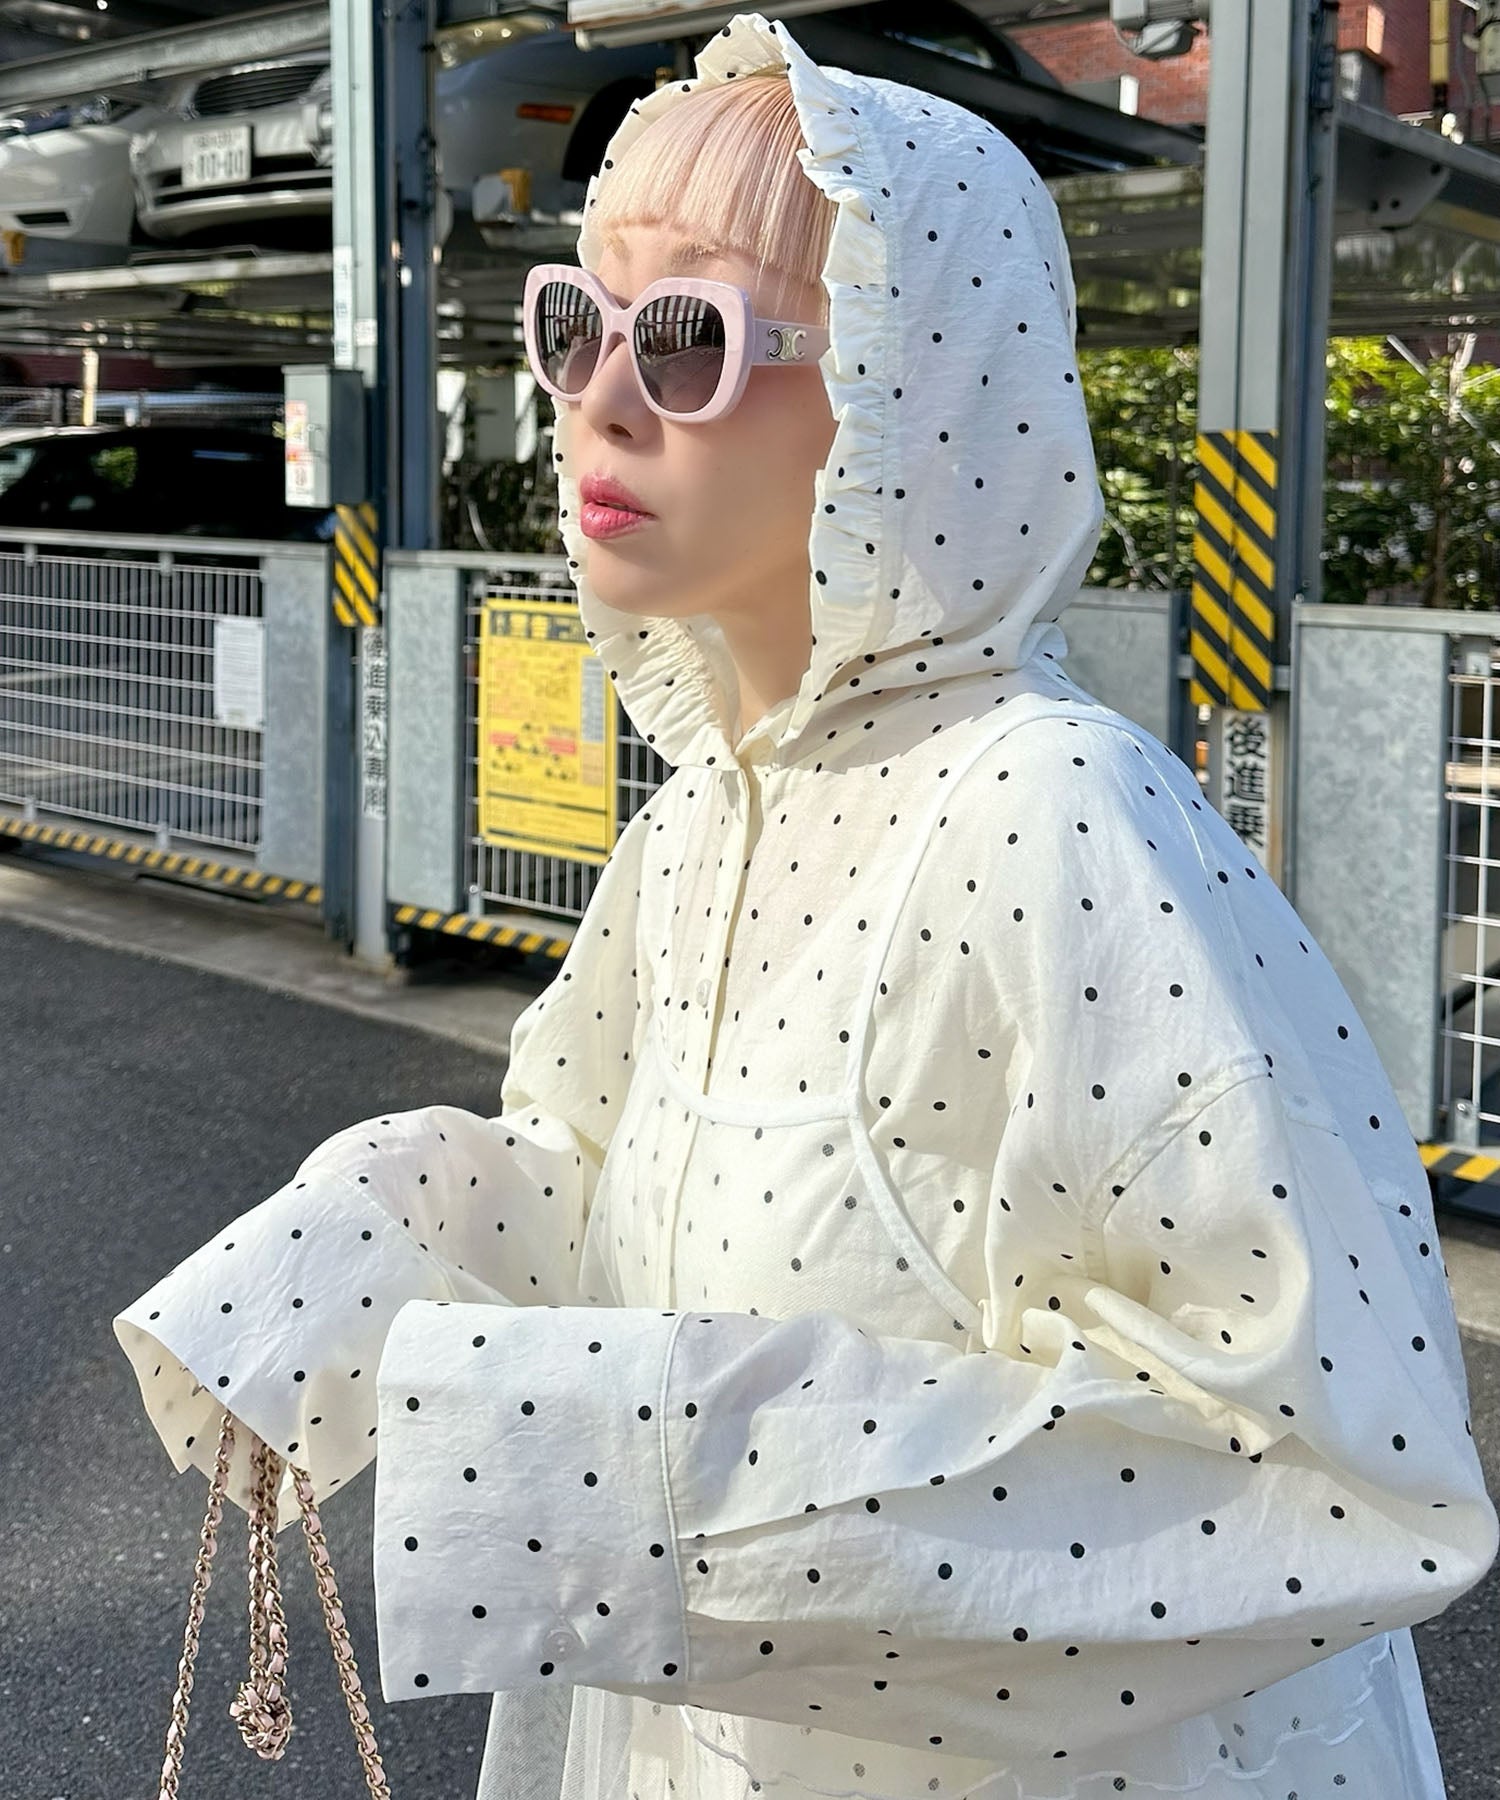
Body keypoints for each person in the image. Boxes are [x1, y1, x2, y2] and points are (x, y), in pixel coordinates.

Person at [114, 13, 1497, 1800]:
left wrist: (637, 1478)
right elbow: (613, 1185)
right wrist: (360, 1254)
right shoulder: (706, 817)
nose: (604, 395)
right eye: (575, 322)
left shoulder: (1063, 817)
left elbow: (1332, 1472)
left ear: (920, 389)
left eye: (689, 337)